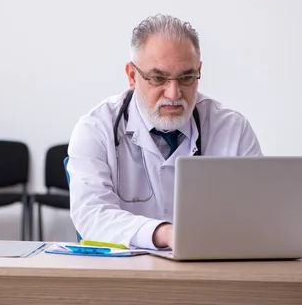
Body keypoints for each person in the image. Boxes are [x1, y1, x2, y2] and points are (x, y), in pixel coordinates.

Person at [67, 14, 263, 250]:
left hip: (209, 273)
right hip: (124, 276)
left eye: (186, 78)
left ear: (198, 72)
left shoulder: (232, 129)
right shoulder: (96, 128)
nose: (173, 93)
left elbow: (257, 215)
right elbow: (91, 215)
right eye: (158, 78)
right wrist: (164, 234)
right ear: (132, 76)